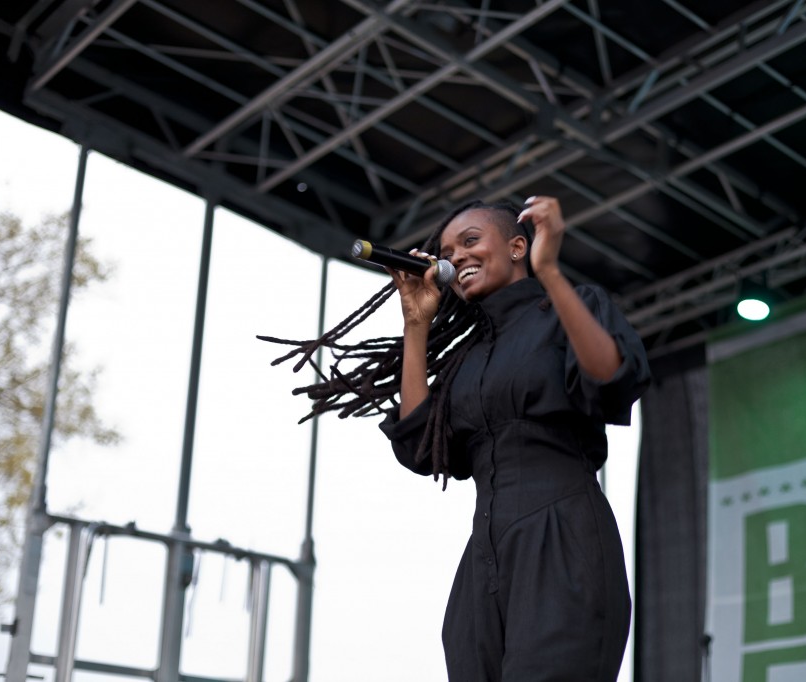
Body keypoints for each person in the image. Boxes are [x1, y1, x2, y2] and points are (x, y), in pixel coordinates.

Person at [260, 196, 650, 681]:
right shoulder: (468, 357)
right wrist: (416, 326)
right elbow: (421, 445)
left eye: (470, 241)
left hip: (562, 535)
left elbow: (611, 377)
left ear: (516, 247)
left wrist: (548, 270)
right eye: (448, 250)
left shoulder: (570, 308)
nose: (457, 256)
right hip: (485, 555)